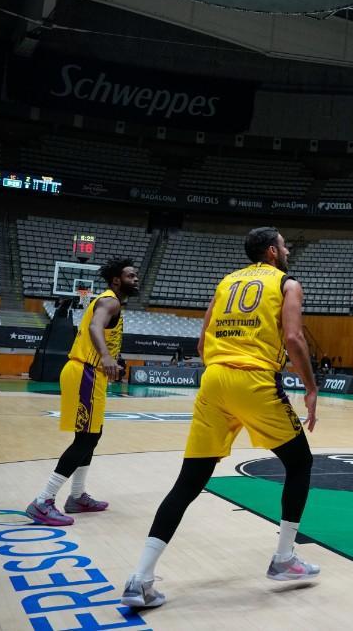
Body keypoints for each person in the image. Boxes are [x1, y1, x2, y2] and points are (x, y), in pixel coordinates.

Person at [122, 227, 319, 609]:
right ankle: (283, 559)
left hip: (213, 381)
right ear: (272, 252)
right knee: (300, 462)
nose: (288, 247)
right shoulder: (288, 284)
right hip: (254, 380)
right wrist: (310, 387)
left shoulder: (226, 282)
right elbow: (294, 339)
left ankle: (140, 578)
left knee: (190, 480)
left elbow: (200, 343)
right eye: (283, 243)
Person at [24, 257, 140, 526]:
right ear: (116, 280)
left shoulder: (113, 302)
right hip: (85, 372)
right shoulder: (109, 300)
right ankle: (43, 501)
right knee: (85, 440)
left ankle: (77, 497)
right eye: (131, 276)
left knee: (92, 436)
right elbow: (94, 327)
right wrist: (106, 358)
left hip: (93, 373)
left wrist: (112, 360)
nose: (135, 280)